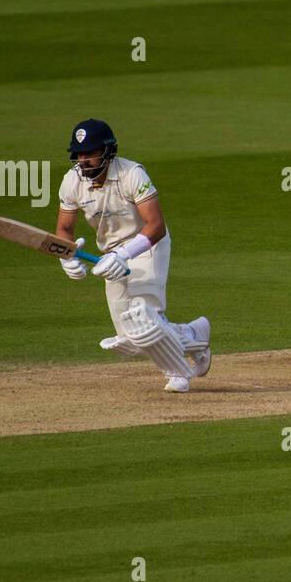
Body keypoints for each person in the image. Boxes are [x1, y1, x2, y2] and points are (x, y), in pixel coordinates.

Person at [55, 118, 210, 393]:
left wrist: (124, 254)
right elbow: (64, 230)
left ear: (107, 151)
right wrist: (67, 258)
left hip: (147, 245)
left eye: (89, 153)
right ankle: (194, 335)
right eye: (79, 154)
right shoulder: (71, 182)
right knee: (131, 336)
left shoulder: (131, 173)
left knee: (144, 317)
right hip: (110, 254)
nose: (83, 160)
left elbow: (156, 226)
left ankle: (176, 373)